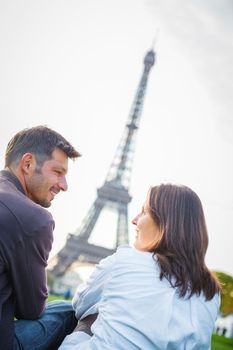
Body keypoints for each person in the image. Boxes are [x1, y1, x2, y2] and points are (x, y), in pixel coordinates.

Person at [59, 184, 221, 350]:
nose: (134, 220)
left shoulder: (123, 260)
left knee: (61, 311)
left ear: (164, 223)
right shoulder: (212, 292)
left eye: (144, 212)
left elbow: (79, 306)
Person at [0, 125, 81, 349]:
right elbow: (31, 309)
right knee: (69, 310)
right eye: (58, 172)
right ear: (28, 164)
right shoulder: (34, 218)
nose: (64, 186)